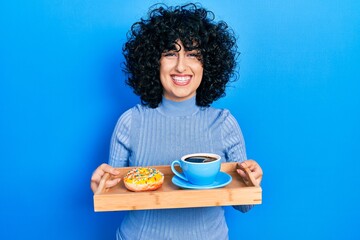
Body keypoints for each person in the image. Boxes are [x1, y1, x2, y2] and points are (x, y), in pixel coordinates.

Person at [91, 3, 263, 240]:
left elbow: (245, 206)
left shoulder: (224, 123)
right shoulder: (130, 122)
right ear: (154, 62)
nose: (181, 66)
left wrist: (251, 182)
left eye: (193, 54)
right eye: (170, 53)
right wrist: (101, 188)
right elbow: (118, 198)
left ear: (207, 64)